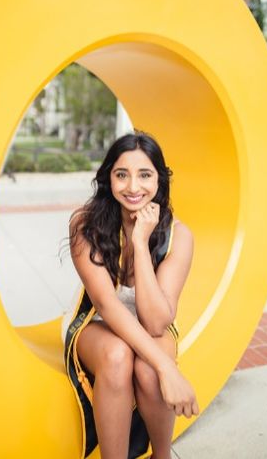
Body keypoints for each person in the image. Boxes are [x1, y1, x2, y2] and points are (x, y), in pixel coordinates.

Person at [64, 131, 198, 459]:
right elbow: (108, 306)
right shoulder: (86, 224)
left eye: (145, 175)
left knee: (149, 370)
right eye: (121, 174)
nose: (133, 187)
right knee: (118, 355)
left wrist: (140, 242)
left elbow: (154, 323)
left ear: (160, 180)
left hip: (151, 323)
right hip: (95, 323)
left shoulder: (178, 235)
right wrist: (170, 369)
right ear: (108, 178)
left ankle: (161, 455)